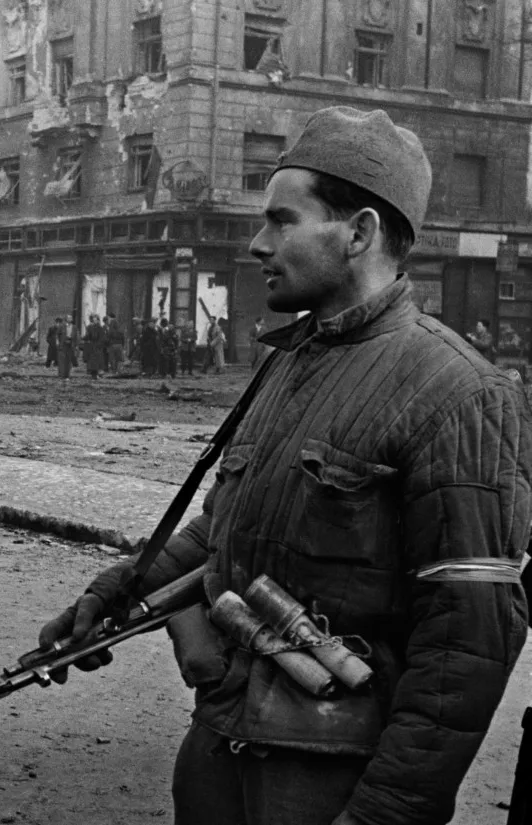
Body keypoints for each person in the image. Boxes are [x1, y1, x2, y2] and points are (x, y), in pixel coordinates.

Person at [35, 106, 532, 825]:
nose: (259, 242)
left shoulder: (459, 391)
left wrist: (386, 814)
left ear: (358, 231)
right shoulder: (290, 361)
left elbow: (468, 644)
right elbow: (226, 524)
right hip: (219, 755)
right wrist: (121, 587)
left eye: (282, 220)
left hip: (325, 784)